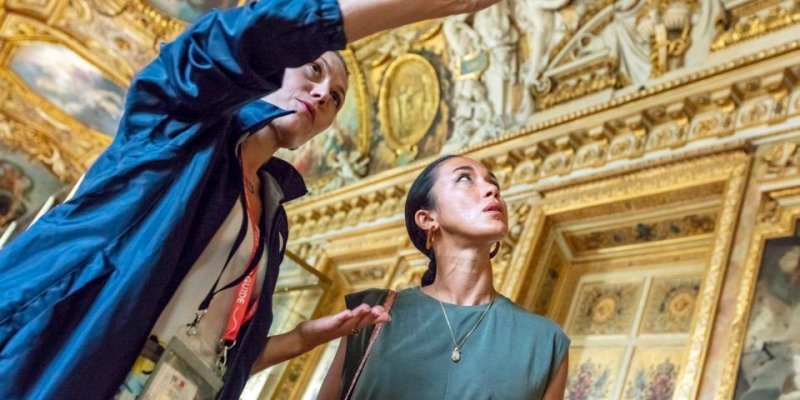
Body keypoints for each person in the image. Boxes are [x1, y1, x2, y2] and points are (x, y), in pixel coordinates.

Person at [0, 1, 501, 399]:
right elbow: (206, 53)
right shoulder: (180, 135)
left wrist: (305, 338)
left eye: (339, 96)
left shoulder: (272, 217)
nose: (326, 93)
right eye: (313, 70)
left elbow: (207, 353)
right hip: (46, 367)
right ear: (268, 70)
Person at [318, 155, 570, 399]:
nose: (492, 190)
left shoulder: (546, 341)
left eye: (494, 183)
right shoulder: (373, 313)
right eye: (464, 179)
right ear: (427, 219)